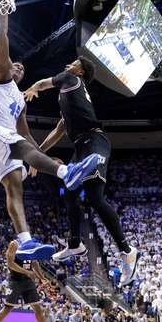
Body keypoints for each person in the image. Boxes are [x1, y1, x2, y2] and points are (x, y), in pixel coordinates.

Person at [0, 13, 103, 260]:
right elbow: (2, 38)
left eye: (23, 68)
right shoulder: (0, 75)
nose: (19, 67)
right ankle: (67, 173)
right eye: (16, 64)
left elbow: (25, 134)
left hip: (5, 139)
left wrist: (41, 158)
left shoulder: (21, 102)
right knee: (20, 148)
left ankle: (25, 242)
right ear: (8, 65)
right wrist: (3, 10)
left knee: (14, 187)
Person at [23, 57, 139, 286]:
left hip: (95, 141)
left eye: (74, 62)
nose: (68, 63)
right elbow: (58, 131)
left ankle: (127, 251)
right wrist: (37, 156)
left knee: (95, 199)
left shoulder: (70, 79)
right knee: (69, 192)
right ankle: (75, 244)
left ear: (81, 71)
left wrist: (31, 89)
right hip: (82, 146)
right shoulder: (71, 99)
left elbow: (43, 83)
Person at [0, 240, 51, 322]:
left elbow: (35, 262)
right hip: (15, 281)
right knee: (7, 309)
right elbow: (10, 264)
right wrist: (27, 272)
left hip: (28, 281)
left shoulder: (31, 245)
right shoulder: (14, 244)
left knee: (38, 308)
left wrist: (42, 277)